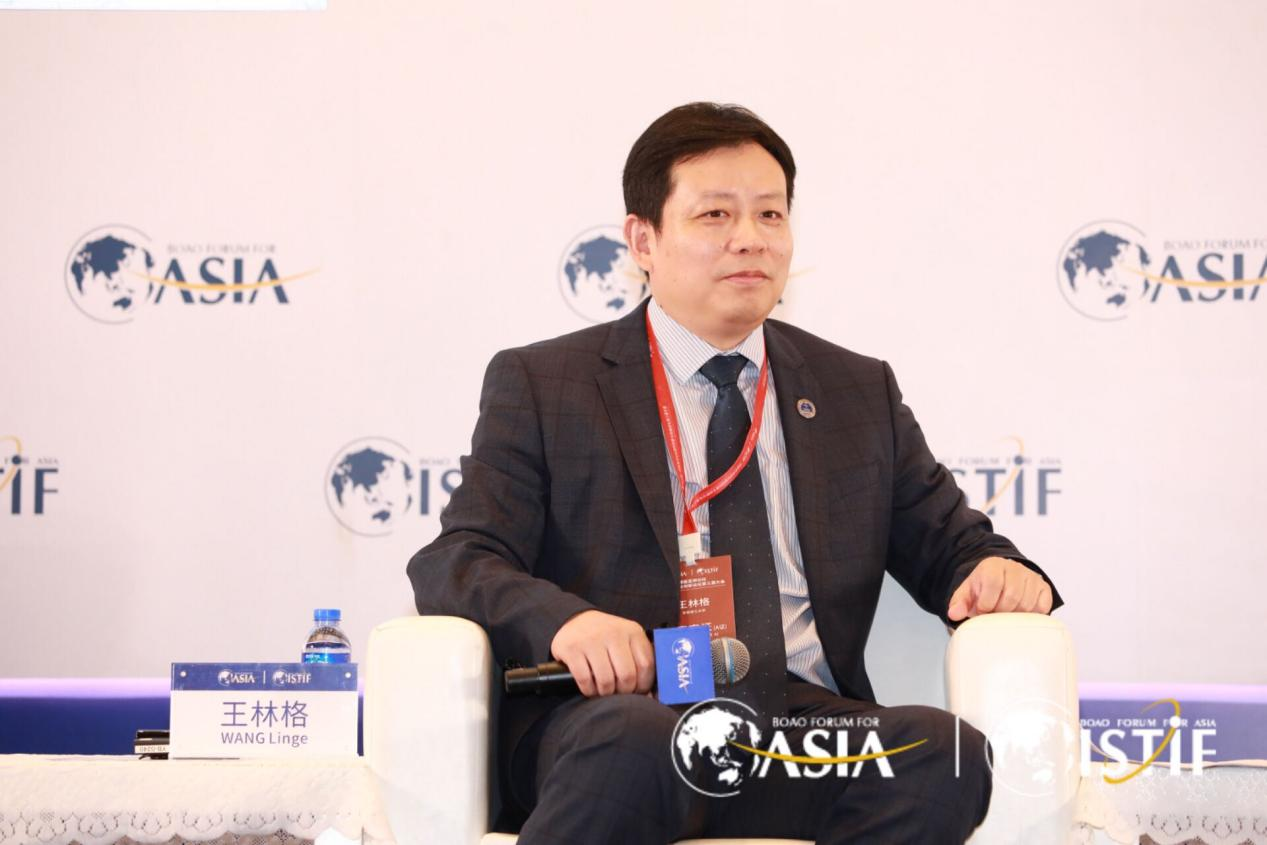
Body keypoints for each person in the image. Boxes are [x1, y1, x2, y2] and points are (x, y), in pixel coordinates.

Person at [408, 102, 1063, 844]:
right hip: (619, 720)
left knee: (942, 756)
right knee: (635, 742)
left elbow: (953, 545)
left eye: (770, 214)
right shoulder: (547, 383)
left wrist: (994, 571)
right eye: (715, 214)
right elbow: (458, 558)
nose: (750, 238)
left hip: (790, 729)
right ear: (643, 240)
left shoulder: (854, 390)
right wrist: (566, 623)